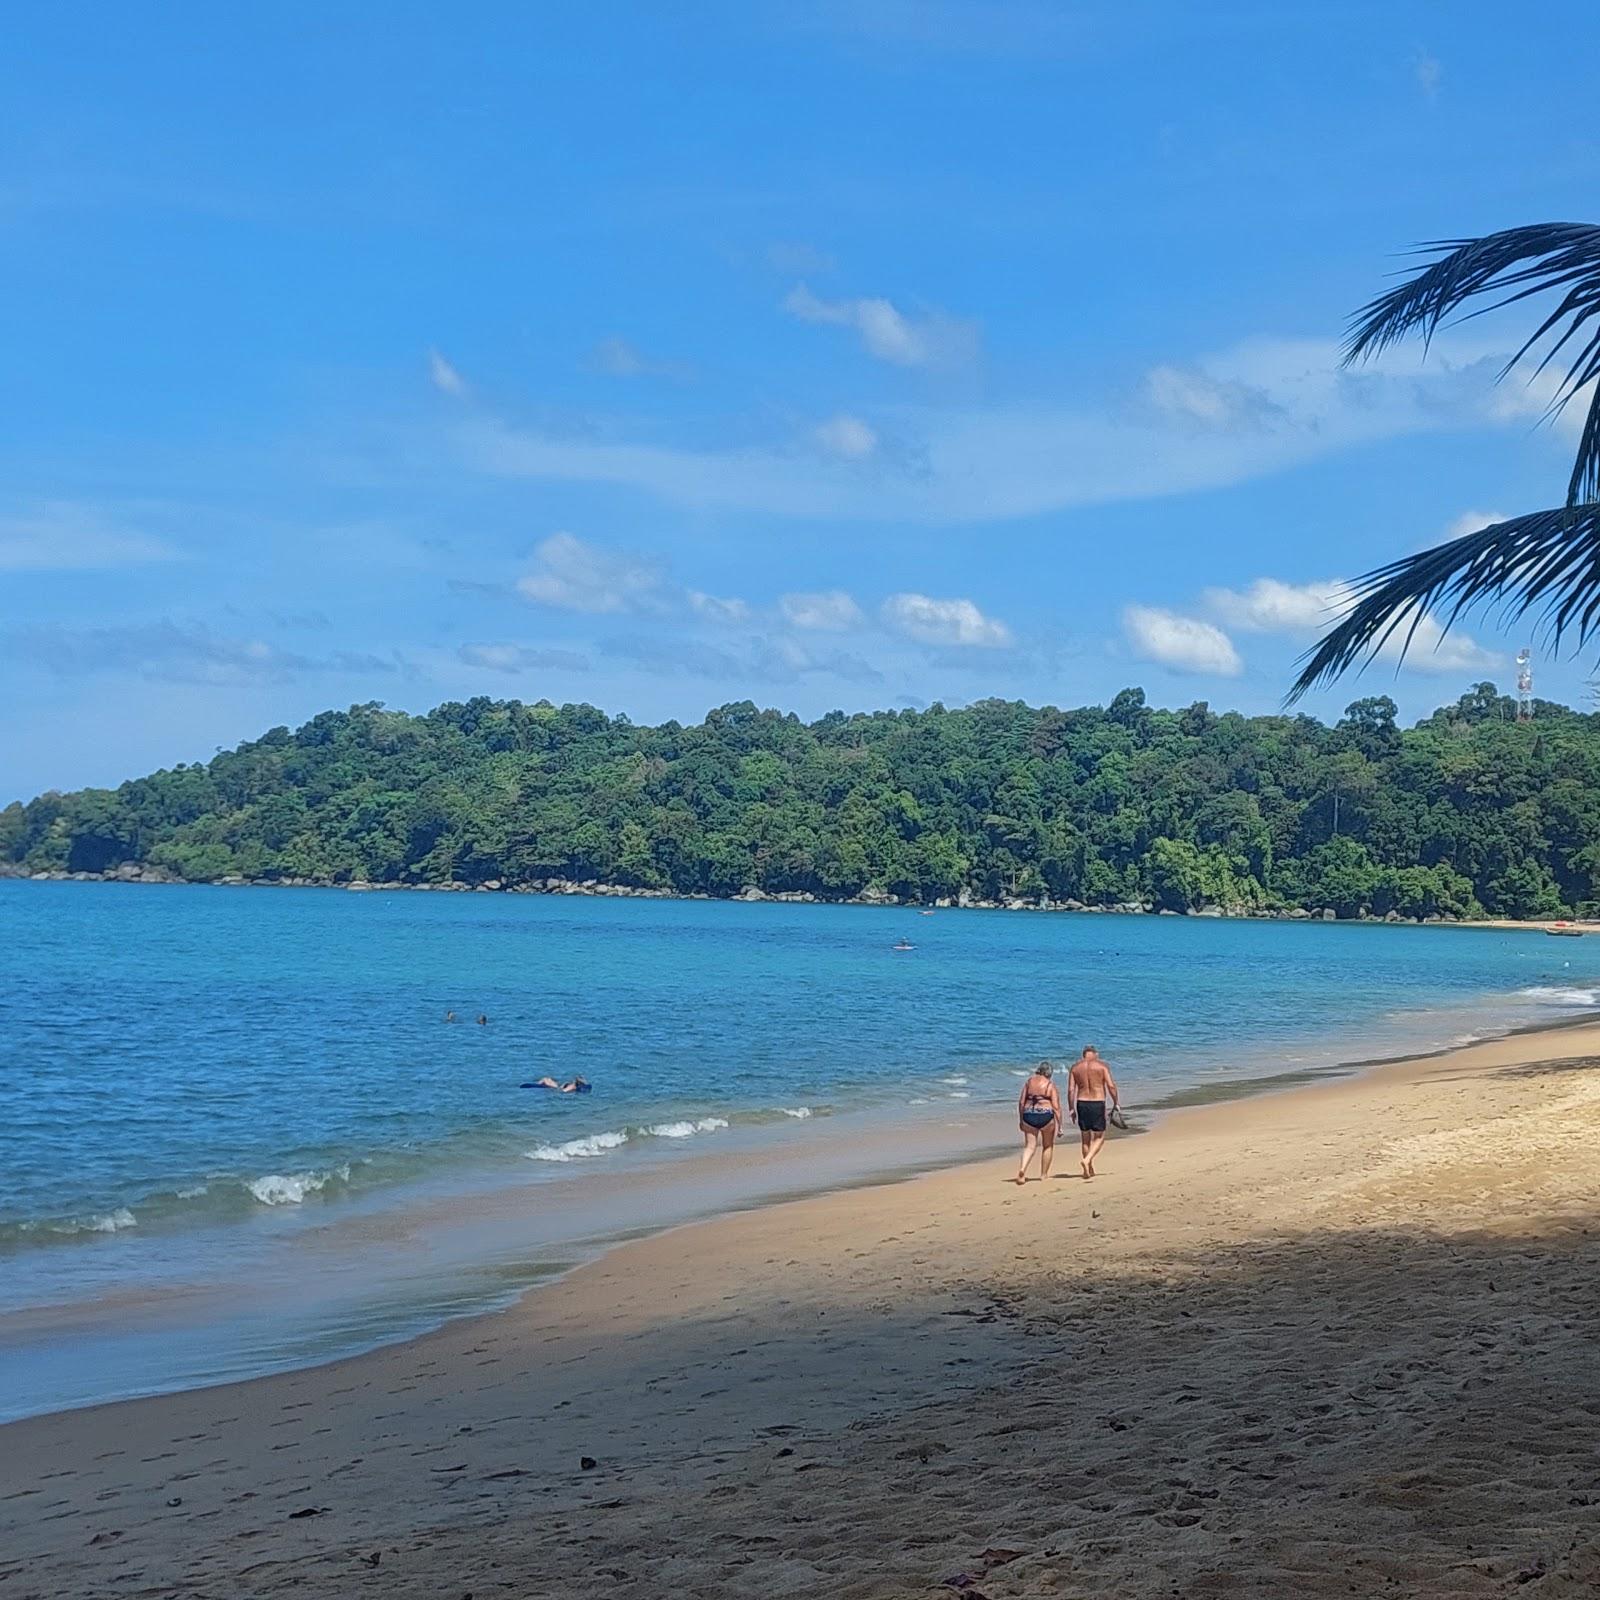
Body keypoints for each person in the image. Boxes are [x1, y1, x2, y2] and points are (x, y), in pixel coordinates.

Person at [1067, 1045, 1119, 1180]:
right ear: (1095, 1054)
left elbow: (1071, 1090)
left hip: (1081, 1103)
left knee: (1085, 1138)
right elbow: (1111, 1086)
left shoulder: (1075, 1068)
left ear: (1083, 1054)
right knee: (1100, 1137)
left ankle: (1089, 1168)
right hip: (1097, 1102)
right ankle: (1087, 1160)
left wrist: (1071, 1108)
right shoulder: (1102, 1066)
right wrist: (1116, 1102)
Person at [1014, 1061, 1062, 1185]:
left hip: (1029, 1115)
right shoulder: (1050, 1085)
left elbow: (1021, 1102)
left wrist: (1021, 1119)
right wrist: (1060, 1125)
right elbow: (1056, 1107)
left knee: (1029, 1146)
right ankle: (1044, 1174)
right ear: (1049, 1074)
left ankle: (1022, 1169)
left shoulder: (1029, 1082)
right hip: (1046, 1116)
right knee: (1048, 1145)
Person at [523, 1075, 592, 1094]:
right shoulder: (571, 1085)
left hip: (559, 1089)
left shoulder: (573, 1085)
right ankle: (539, 1084)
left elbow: (563, 1090)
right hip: (560, 1088)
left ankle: (538, 1083)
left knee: (546, 1079)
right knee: (546, 1079)